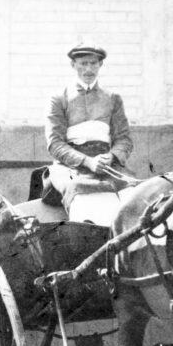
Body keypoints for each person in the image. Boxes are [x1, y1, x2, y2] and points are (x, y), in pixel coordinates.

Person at [45, 43, 133, 224]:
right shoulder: (59, 98)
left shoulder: (113, 98)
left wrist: (111, 156)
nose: (88, 69)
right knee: (81, 198)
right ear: (73, 65)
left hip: (107, 166)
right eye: (83, 63)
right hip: (70, 167)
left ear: (100, 65)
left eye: (93, 63)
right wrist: (88, 162)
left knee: (134, 197)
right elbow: (55, 143)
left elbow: (123, 139)